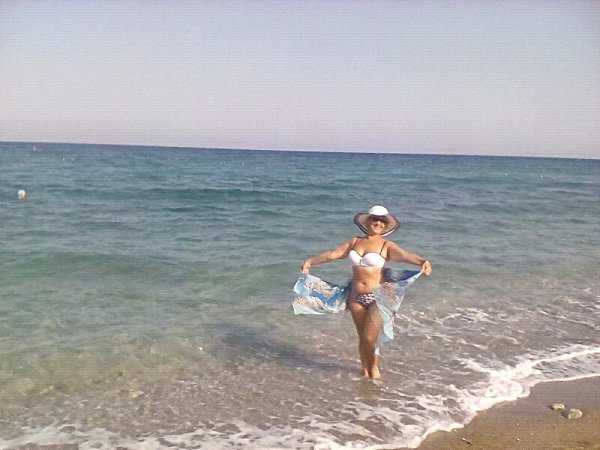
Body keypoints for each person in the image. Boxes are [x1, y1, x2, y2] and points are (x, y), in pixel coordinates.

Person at [300, 205, 432, 379]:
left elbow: (405, 255)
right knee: (362, 337)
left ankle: (374, 369)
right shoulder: (355, 242)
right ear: (368, 221)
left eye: (382, 221)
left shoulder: (386, 245)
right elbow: (333, 254)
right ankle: (365, 371)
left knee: (370, 338)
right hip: (355, 297)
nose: (378, 223)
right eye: (375, 219)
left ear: (386, 225)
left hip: (378, 297)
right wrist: (310, 261)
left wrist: (422, 261)